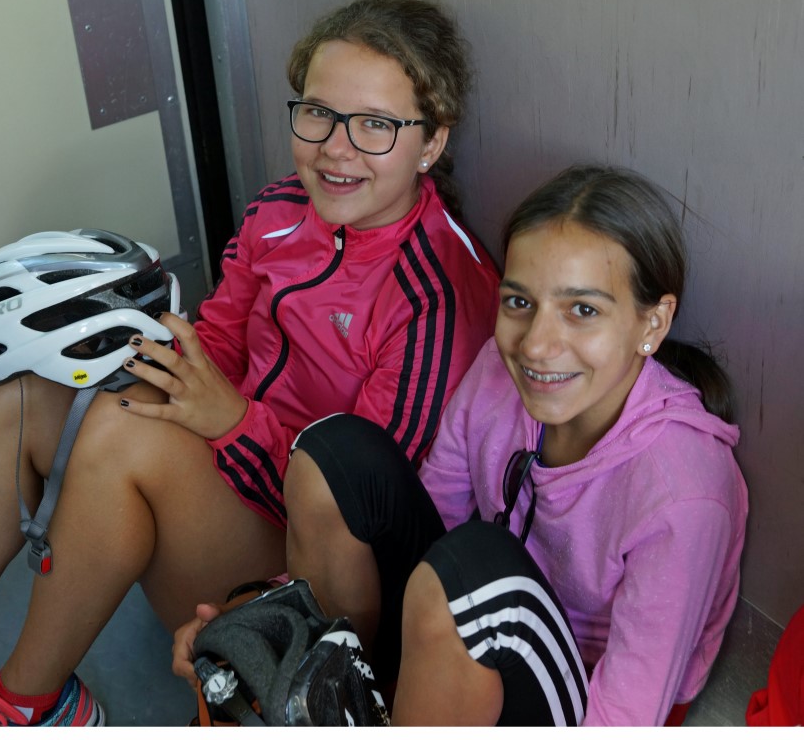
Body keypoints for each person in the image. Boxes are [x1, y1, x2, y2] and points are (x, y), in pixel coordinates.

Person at [0, 0, 499, 727]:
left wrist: (231, 420)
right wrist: (121, 359)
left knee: (123, 435)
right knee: (11, 390)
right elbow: (213, 343)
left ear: (430, 142)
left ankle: (26, 707)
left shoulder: (438, 296)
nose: (336, 148)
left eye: (375, 125)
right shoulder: (279, 209)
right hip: (228, 480)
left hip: (311, 577)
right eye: (317, 113)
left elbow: (365, 515)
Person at [175, 164, 748, 726]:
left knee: (475, 568)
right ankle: (334, 697)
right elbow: (433, 520)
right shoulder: (501, 369)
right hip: (467, 635)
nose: (537, 345)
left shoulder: (683, 490)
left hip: (583, 704)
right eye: (520, 302)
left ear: (653, 323)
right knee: (335, 453)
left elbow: (626, 715)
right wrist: (263, 614)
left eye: (583, 310)